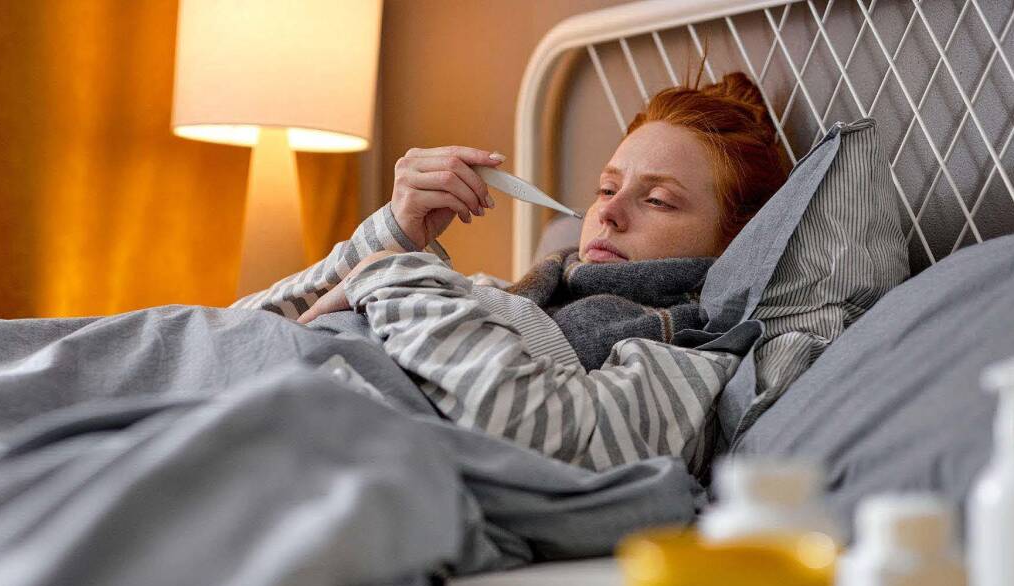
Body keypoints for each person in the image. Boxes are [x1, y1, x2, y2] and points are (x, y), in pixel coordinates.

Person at [231, 72, 789, 472]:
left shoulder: (694, 359)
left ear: (736, 242)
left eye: (659, 200)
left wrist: (393, 276)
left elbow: (540, 434)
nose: (610, 213)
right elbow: (240, 337)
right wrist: (396, 235)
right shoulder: (499, 297)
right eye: (607, 188)